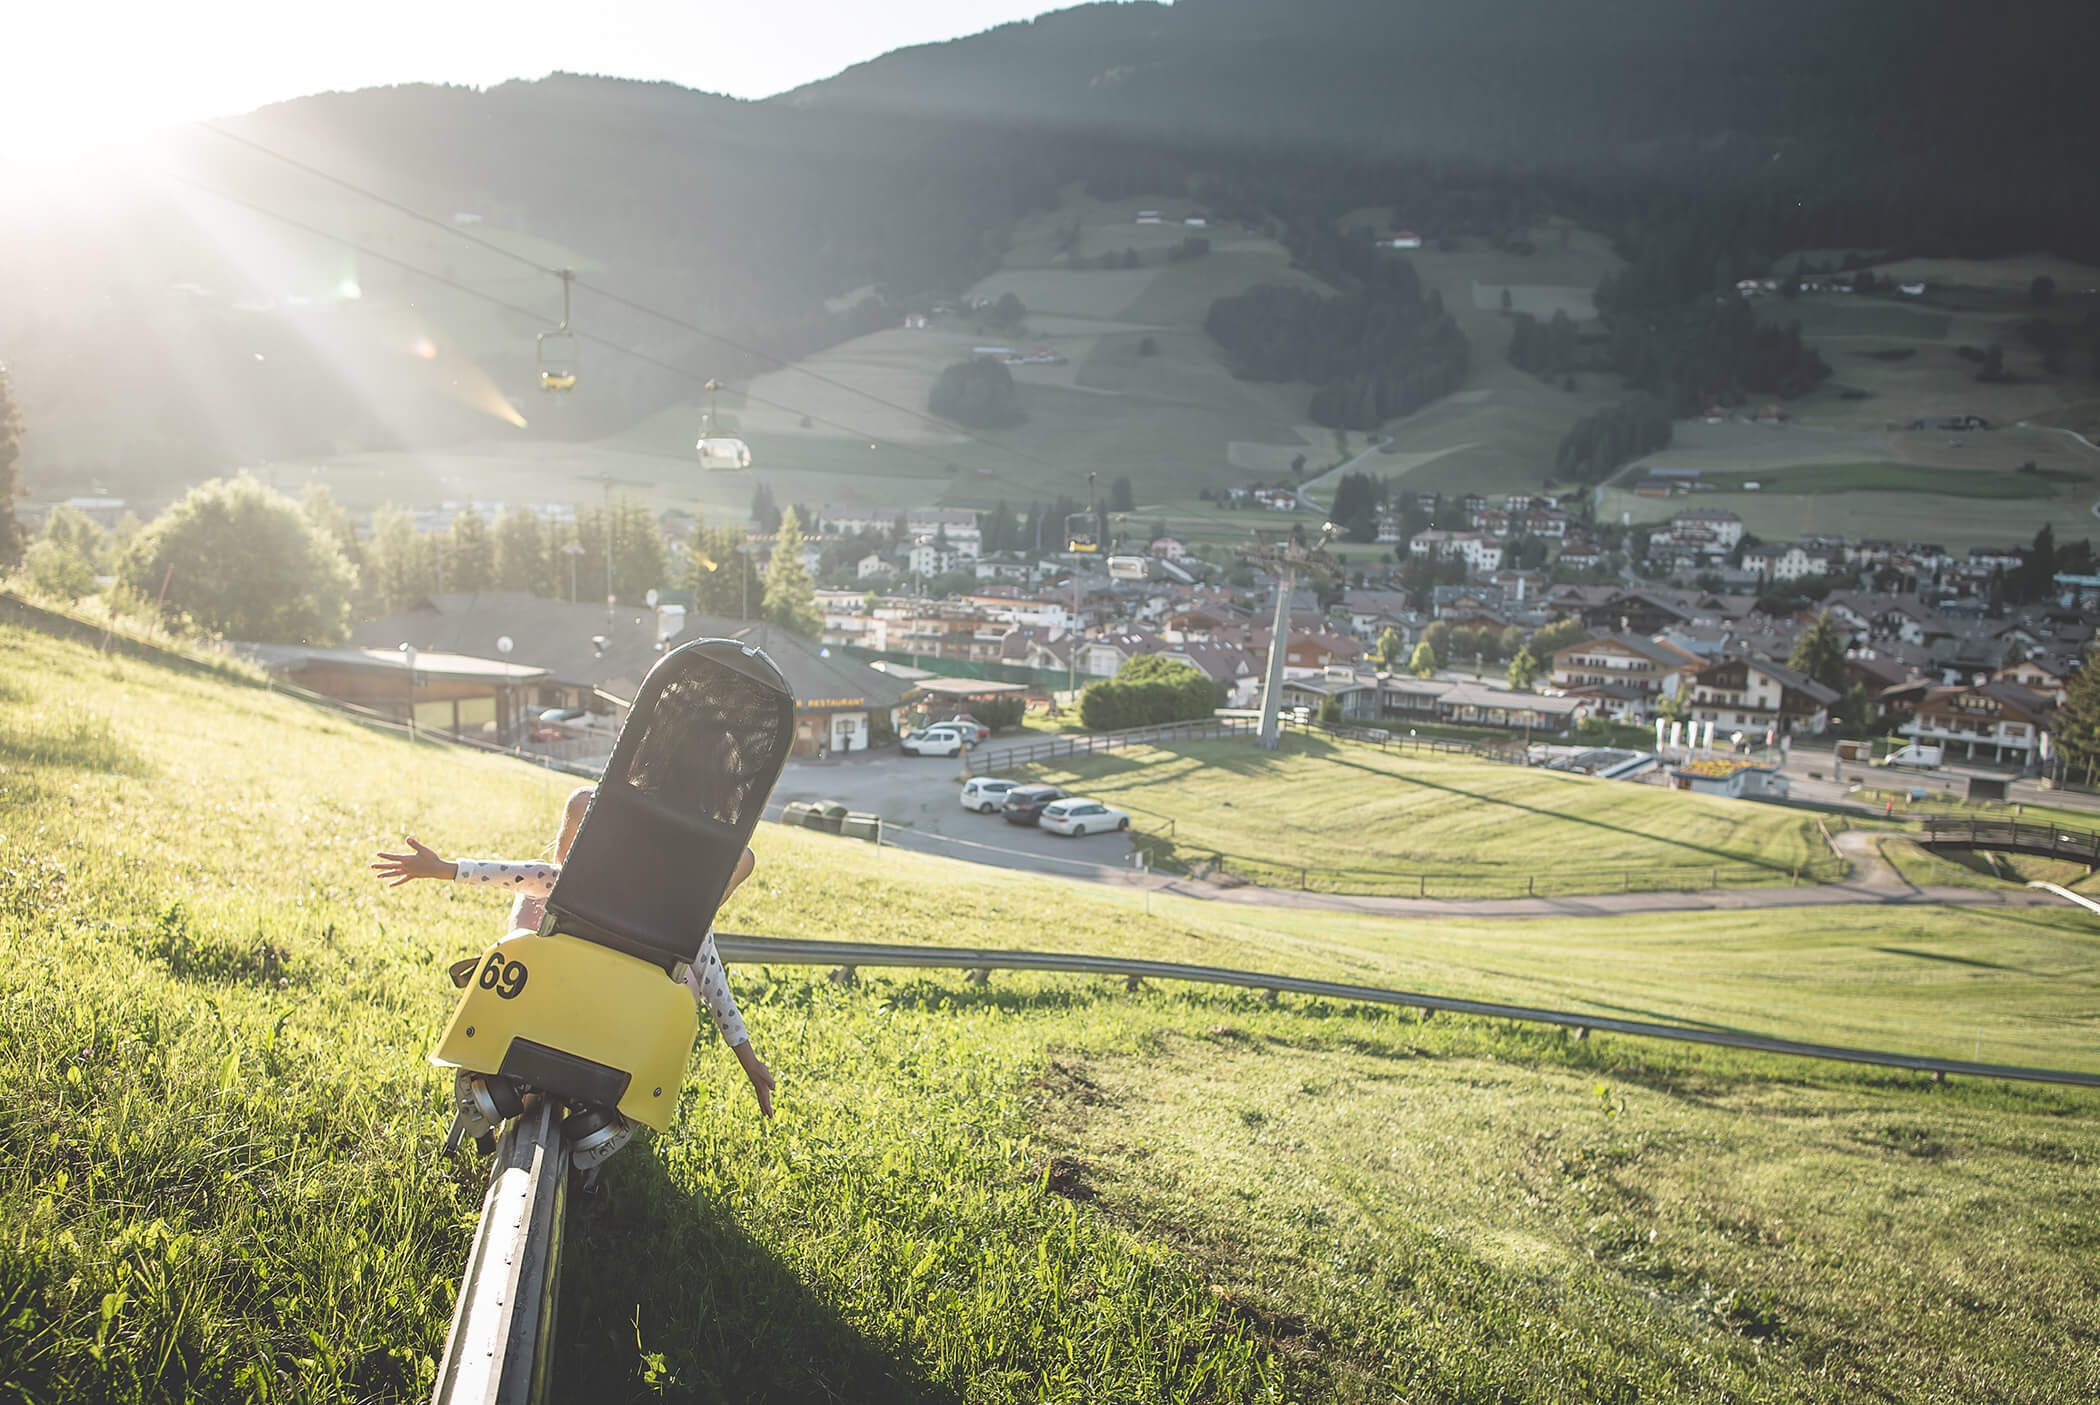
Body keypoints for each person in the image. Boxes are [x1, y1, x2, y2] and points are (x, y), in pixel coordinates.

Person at [372, 787, 774, 1117]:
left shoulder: (581, 879)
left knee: (534, 897)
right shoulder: (686, 921)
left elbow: (520, 874)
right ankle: (605, 1119)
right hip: (625, 1022)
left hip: (555, 992)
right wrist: (750, 1063)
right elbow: (717, 994)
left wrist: (444, 868)